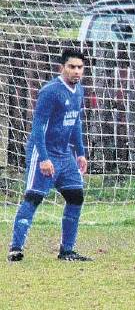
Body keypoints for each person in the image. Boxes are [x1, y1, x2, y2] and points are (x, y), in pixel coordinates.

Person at [8, 49, 92, 262]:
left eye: (80, 67)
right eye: (72, 67)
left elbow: (75, 122)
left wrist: (80, 154)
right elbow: (37, 127)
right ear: (61, 68)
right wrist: (44, 158)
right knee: (34, 197)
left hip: (65, 155)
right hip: (44, 153)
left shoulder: (79, 90)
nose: (76, 71)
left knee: (76, 197)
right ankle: (15, 249)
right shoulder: (50, 91)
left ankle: (67, 251)